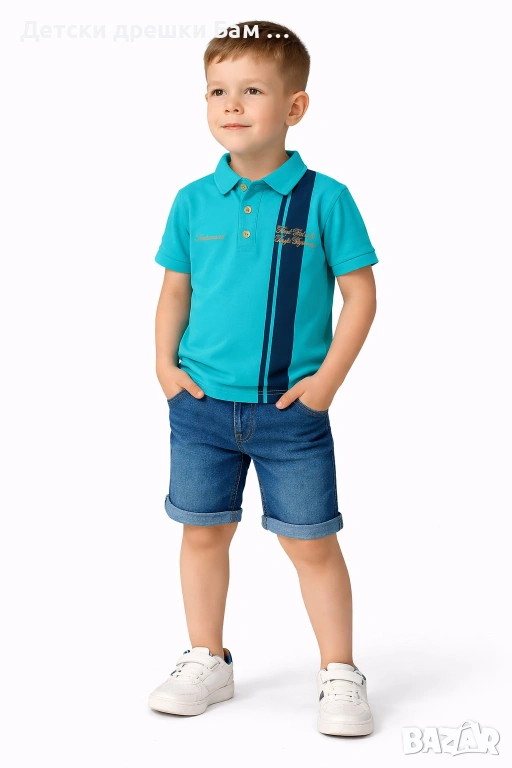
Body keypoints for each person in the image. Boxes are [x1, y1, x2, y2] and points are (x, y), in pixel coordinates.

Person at [148, 20, 378, 736]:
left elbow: (361, 296)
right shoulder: (192, 200)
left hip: (290, 412)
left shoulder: (325, 199)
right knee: (202, 534)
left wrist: (325, 385)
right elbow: (175, 291)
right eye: (217, 90)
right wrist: (164, 367)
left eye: (252, 90)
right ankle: (206, 658)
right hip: (200, 408)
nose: (231, 104)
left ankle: (339, 670)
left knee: (311, 542)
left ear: (294, 107)